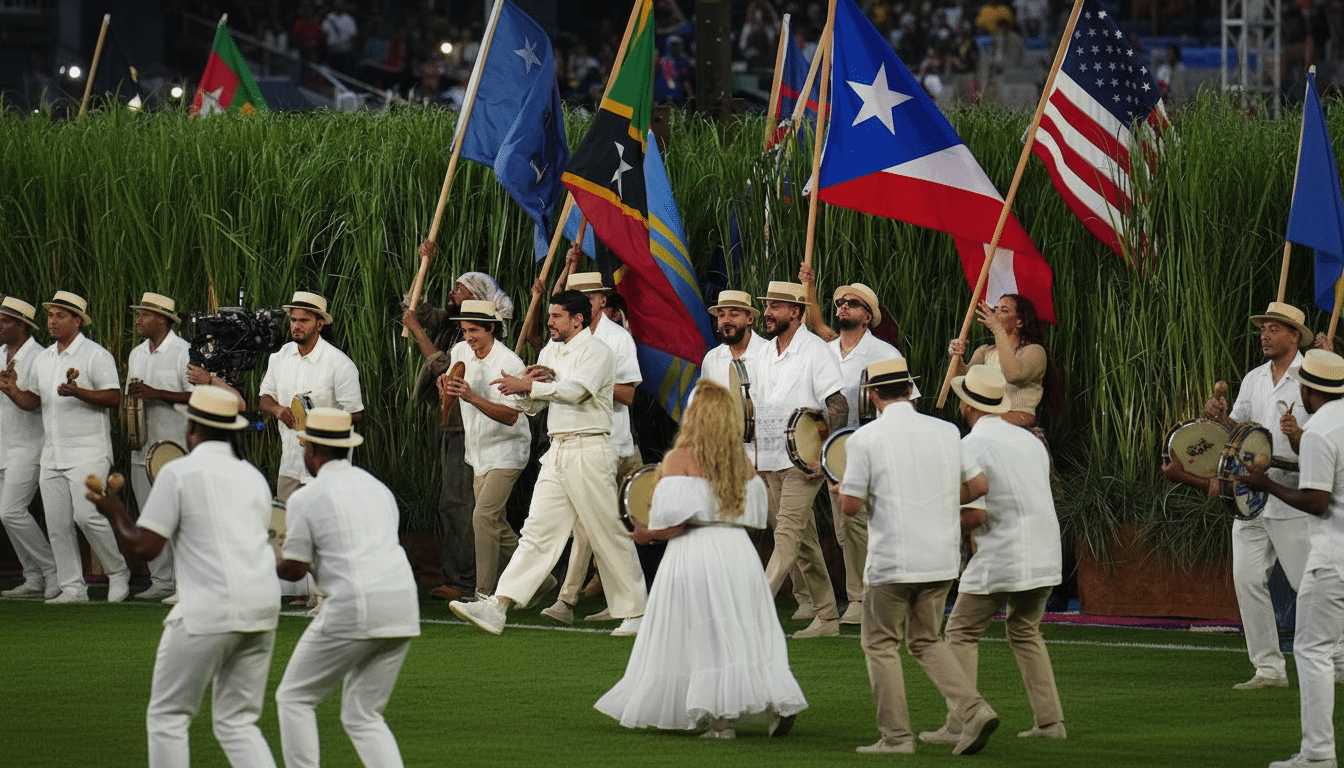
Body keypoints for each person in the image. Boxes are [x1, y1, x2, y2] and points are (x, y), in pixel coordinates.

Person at [594, 380, 807, 739]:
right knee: (743, 629)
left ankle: (722, 723)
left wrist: (647, 534)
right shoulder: (743, 462)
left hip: (695, 553)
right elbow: (754, 518)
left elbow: (674, 524)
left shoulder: (680, 458)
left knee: (704, 631)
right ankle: (776, 703)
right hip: (738, 553)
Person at [86, 385, 280, 768]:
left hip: (208, 609)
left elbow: (145, 548)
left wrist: (114, 512)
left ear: (192, 427)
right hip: (262, 609)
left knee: (168, 718)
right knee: (238, 723)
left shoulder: (179, 472)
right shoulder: (253, 477)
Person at [450, 290, 647, 637]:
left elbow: (577, 391)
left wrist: (532, 385)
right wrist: (523, 392)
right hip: (557, 449)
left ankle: (637, 612)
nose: (550, 322)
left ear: (577, 320)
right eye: (551, 316)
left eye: (556, 316)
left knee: (606, 531)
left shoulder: (597, 351)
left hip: (590, 448)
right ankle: (498, 605)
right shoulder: (549, 351)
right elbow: (537, 406)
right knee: (536, 532)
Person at [1164, 301, 1336, 689]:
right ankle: (1269, 668)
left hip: (1291, 490)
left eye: (1274, 329)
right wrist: (1221, 417)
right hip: (1249, 495)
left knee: (1306, 583)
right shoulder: (1255, 377)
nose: (1265, 335)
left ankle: (1338, 657)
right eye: (1263, 329)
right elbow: (1237, 432)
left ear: (1295, 336)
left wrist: (1296, 436)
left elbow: (1326, 440)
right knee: (1246, 578)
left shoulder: (1311, 377)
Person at [835, 358, 998, 756]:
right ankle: (974, 710)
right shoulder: (946, 432)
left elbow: (851, 507)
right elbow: (978, 485)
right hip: (941, 558)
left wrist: (842, 487)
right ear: (911, 390)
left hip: (893, 560)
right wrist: (933, 496)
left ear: (872, 395)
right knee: (926, 640)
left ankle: (896, 738)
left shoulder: (865, 439)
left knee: (880, 645)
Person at [921, 364, 1064, 745]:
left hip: (1002, 552)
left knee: (960, 631)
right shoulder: (1029, 440)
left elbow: (974, 512)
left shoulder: (969, 446)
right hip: (1046, 552)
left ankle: (960, 723)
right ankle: (1050, 723)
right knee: (1025, 630)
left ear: (967, 407)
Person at [275, 408, 420, 768]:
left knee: (294, 698)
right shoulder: (378, 489)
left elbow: (293, 569)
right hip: (403, 606)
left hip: (355, 604)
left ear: (313, 450)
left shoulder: (306, 498)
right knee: (363, 715)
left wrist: (261, 556)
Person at [1241, 349, 1344, 768]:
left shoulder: (1320, 429)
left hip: (1333, 557)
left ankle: (1317, 755)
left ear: (1306, 389)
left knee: (1312, 651)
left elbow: (1317, 500)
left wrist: (1266, 484)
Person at [800, 266, 917, 626]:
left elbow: (908, 401)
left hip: (868, 448)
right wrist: (809, 287)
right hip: (827, 448)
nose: (844, 307)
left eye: (852, 303)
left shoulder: (884, 352)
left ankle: (863, 598)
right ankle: (836, 599)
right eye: (841, 303)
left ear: (868, 315)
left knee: (860, 525)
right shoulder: (824, 350)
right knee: (839, 526)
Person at [402, 242, 515, 601]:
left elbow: (440, 362)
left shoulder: (490, 343)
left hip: (474, 427)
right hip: (457, 420)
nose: (453, 291)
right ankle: (523, 574)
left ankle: (469, 582)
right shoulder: (457, 328)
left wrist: (421, 336)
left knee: (464, 504)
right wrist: (425, 264)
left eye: (461, 287)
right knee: (479, 512)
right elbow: (415, 307)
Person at [542, 269, 643, 626]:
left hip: (613, 443)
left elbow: (629, 394)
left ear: (601, 300)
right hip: (575, 444)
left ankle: (614, 602)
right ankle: (573, 600)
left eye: (589, 293)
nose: (582, 298)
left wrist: (585, 382)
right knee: (587, 527)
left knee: (601, 527)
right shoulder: (561, 344)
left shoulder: (616, 341)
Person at [24, 291, 130, 604]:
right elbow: (33, 401)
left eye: (59, 316)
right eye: (50, 315)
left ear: (77, 321)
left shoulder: (96, 355)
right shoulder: (43, 359)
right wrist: (10, 388)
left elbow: (113, 397)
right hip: (52, 452)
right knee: (57, 524)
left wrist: (78, 392)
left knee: (87, 517)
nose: (52, 321)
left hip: (89, 450)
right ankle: (73, 587)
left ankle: (118, 571)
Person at [754, 280, 846, 638]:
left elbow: (838, 404)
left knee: (788, 538)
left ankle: (751, 612)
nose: (767, 312)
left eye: (775, 306)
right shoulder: (764, 351)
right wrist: (760, 462)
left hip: (802, 463)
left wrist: (825, 460)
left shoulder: (815, 350)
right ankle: (827, 618)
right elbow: (760, 409)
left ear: (796, 311)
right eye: (767, 305)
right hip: (771, 461)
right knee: (803, 542)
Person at [437, 300, 531, 598]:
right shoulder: (461, 352)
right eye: (464, 330)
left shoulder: (510, 363)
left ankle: (482, 594)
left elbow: (511, 416)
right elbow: (453, 389)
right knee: (496, 525)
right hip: (476, 452)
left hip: (507, 451)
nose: (468, 337)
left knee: (482, 518)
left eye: (474, 330)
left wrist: (473, 397)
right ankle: (540, 581)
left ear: (492, 328)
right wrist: (446, 386)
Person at [126, 292, 193, 602]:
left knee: (179, 517)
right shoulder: (137, 353)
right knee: (149, 515)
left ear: (164, 319)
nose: (139, 320)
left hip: (174, 447)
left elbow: (196, 397)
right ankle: (161, 580)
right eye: (139, 314)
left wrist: (157, 393)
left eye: (145, 315)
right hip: (141, 445)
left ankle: (184, 584)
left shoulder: (183, 351)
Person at [0, 297, 58, 599]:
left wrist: (12, 390)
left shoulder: (39, 357)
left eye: (4, 321)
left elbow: (35, 402)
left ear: (21, 324)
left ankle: (52, 571)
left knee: (11, 511)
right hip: (2, 445)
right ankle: (33, 576)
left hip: (28, 445)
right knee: (5, 514)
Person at [947, 294, 1049, 428]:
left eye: (1004, 310)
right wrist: (957, 357)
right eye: (995, 309)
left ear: (1020, 321)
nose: (996, 314)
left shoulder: (1035, 351)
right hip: (984, 422)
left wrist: (998, 330)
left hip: (1017, 424)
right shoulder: (985, 351)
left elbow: (1013, 376)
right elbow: (962, 382)